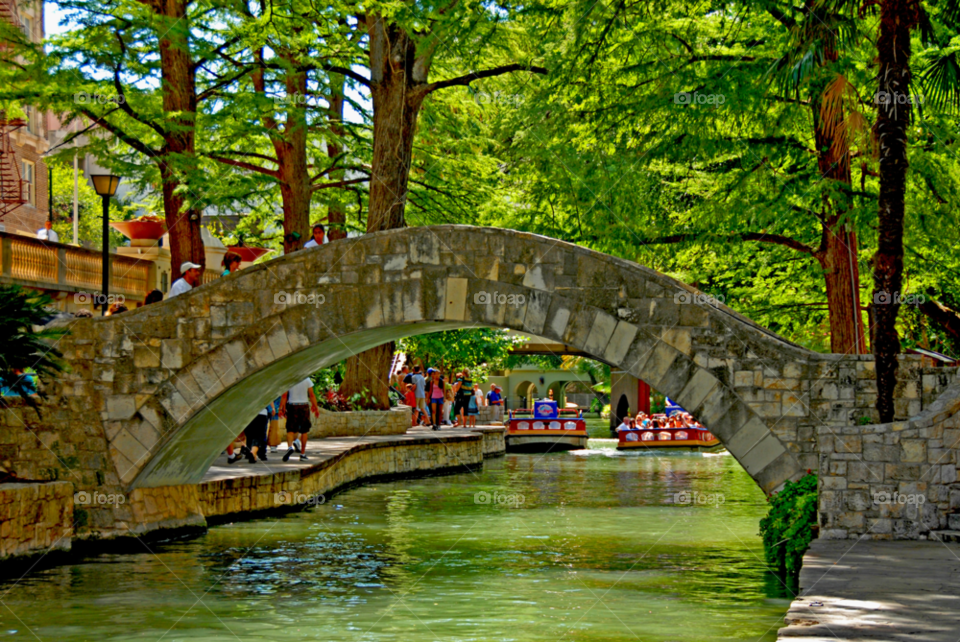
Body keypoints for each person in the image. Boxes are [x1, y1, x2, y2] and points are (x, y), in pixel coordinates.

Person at [280, 377, 320, 462]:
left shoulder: (289, 380)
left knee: (290, 430)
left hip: (292, 406)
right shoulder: (307, 380)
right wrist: (315, 407)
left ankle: (290, 447)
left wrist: (281, 408)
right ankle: (302, 454)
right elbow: (312, 394)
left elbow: (284, 395)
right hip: (304, 406)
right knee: (304, 431)